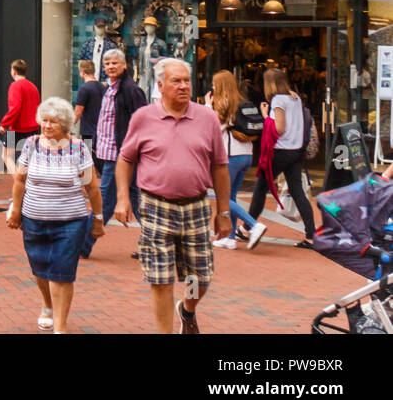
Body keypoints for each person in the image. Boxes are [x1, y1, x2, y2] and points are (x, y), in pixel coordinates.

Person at [115, 58, 231, 334]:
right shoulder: (143, 118)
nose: (183, 86)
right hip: (156, 206)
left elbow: (220, 166)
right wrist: (122, 198)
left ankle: (187, 308)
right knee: (161, 279)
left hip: (196, 206)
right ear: (160, 86)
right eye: (176, 81)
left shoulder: (207, 117)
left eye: (186, 81)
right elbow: (125, 159)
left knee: (198, 277)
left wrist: (224, 213)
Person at [7, 97, 104, 333]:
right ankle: (47, 304)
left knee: (62, 272)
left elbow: (91, 187)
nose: (47, 126)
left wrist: (98, 219)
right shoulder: (31, 144)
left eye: (54, 122)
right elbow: (20, 180)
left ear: (67, 125)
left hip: (71, 222)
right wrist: (16, 210)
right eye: (45, 121)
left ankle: (60, 327)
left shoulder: (79, 148)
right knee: (40, 268)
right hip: (34, 218)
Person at [78, 48, 147, 259]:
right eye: (107, 64)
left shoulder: (130, 90)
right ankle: (156, 243)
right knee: (134, 198)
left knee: (104, 199)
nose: (110, 67)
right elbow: (105, 121)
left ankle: (82, 244)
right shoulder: (108, 88)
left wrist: (132, 151)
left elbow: (141, 121)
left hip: (121, 156)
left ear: (124, 65)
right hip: (109, 153)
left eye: (114, 63)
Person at [247, 68, 317, 249]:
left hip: (280, 151)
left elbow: (279, 128)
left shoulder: (278, 100)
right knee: (297, 191)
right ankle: (311, 235)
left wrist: (264, 115)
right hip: (296, 150)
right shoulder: (295, 97)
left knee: (260, 188)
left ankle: (248, 227)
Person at [205, 70, 267, 250]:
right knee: (230, 196)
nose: (213, 87)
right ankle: (229, 237)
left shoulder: (224, 104)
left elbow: (212, 127)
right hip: (246, 155)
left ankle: (254, 225)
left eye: (215, 84)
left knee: (222, 196)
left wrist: (208, 106)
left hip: (230, 155)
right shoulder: (241, 102)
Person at [0, 60, 40, 176]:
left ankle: (19, 184)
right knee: (29, 160)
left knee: (6, 156)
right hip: (32, 128)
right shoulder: (33, 87)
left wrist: (4, 123)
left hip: (17, 128)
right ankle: (26, 186)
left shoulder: (15, 86)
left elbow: (15, 107)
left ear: (14, 72)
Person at [72, 59, 105, 140]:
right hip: (101, 131)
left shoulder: (84, 89)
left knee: (88, 152)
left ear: (82, 72)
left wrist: (70, 125)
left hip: (88, 133)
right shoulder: (102, 87)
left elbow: (78, 111)